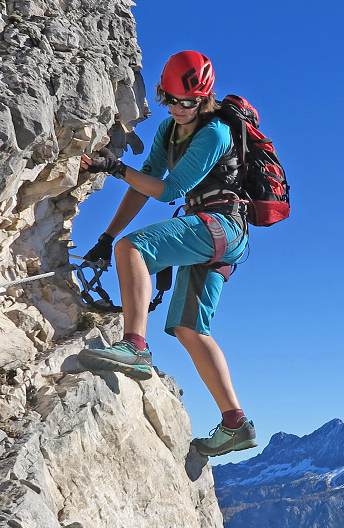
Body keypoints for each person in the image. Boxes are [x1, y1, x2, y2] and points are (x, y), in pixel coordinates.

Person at [76, 50, 257, 456]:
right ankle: (235, 424)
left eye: (188, 102)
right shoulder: (167, 131)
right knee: (190, 328)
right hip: (213, 233)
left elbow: (171, 190)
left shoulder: (214, 133)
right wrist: (107, 237)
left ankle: (134, 345)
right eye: (171, 100)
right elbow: (146, 183)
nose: (178, 109)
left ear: (204, 99)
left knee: (135, 247)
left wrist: (113, 168)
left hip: (220, 225)